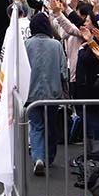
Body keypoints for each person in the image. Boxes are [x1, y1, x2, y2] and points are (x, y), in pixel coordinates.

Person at [25, 13, 66, 176]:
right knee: (51, 125)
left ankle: (38, 157)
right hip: (53, 92)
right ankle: (49, 156)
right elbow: (64, 70)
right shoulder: (56, 45)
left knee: (36, 126)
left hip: (31, 91)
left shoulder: (26, 44)